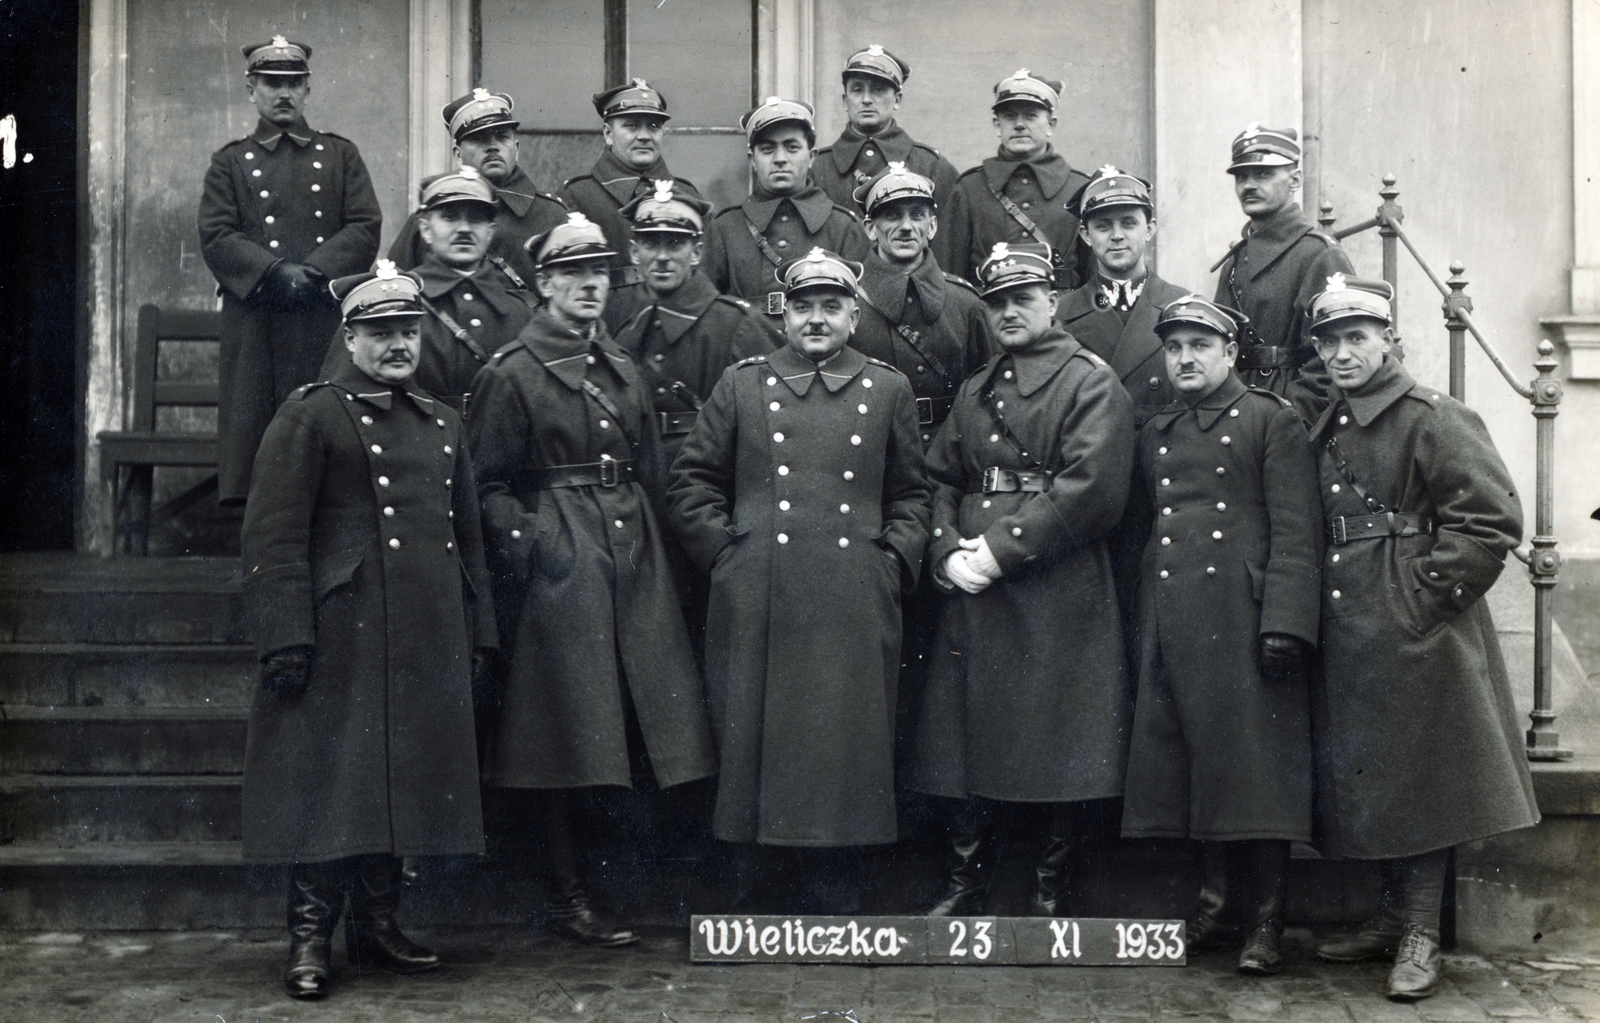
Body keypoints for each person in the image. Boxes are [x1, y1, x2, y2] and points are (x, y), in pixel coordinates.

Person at [239, 263, 494, 999]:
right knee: (330, 781)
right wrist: (285, 632)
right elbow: (274, 534)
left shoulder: (444, 422)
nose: (396, 345)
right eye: (380, 332)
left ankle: (379, 923)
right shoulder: (311, 415)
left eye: (407, 331)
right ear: (349, 337)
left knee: (403, 779)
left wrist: (480, 632)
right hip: (340, 629)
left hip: (424, 628)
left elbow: (468, 538)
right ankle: (309, 937)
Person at [467, 213, 716, 947]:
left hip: (632, 549)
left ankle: (628, 881)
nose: (589, 286)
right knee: (565, 729)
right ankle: (565, 891)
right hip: (562, 557)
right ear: (544, 283)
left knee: (643, 719)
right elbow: (483, 487)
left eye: (600, 273)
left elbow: (649, 463)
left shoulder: (622, 365)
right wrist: (537, 542)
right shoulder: (510, 372)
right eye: (572, 273)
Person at [667, 248, 929, 910]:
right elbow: (692, 479)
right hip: (760, 586)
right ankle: (761, 874)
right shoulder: (743, 383)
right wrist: (726, 557)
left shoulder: (888, 388)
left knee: (844, 733)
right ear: (785, 313)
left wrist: (892, 560)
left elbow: (912, 494)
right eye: (804, 306)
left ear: (853, 313)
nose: (817, 319)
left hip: (852, 589)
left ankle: (837, 875)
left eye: (831, 306)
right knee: (756, 727)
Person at [1303, 276, 1538, 1001]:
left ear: (1388, 341)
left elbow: (1491, 520)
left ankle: (1420, 932)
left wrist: (1424, 599)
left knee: (1427, 775)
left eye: (1356, 338)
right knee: (1373, 768)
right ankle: (1384, 916)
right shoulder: (1328, 423)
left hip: (1416, 624)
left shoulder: (1433, 416)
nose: (1342, 353)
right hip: (1351, 620)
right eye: (1329, 340)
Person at [912, 242, 1134, 918]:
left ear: (1052, 301)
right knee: (962, 733)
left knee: (1061, 733)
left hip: (1054, 579)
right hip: (975, 580)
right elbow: (940, 474)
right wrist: (947, 547)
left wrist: (999, 551)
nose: (1009, 312)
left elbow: (1091, 489)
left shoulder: (1090, 381)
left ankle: (1050, 886)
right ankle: (966, 879)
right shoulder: (979, 386)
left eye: (1022, 298)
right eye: (997, 302)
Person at [1119, 295, 1323, 975]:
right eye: (1174, 347)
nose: (1185, 358)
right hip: (1175, 614)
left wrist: (1287, 623)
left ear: (1230, 353)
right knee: (1196, 763)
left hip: (1245, 618)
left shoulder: (1270, 420)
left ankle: (1264, 920)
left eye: (1199, 346)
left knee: (1256, 770)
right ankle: (1213, 901)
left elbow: (1297, 531)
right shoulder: (1158, 430)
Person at [848, 162, 992, 769]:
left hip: (947, 467)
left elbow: (989, 391)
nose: (904, 227)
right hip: (876, 472)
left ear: (934, 224)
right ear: (869, 226)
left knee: (946, 633)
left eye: (915, 215)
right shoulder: (849, 301)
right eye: (889, 216)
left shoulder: (964, 304)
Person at [199, 36, 382, 506]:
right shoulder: (231, 162)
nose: (283, 93)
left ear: (307, 89)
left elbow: (364, 225)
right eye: (271, 83)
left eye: (293, 83)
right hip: (258, 321)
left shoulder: (341, 156)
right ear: (251, 89)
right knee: (259, 455)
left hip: (321, 316)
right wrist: (276, 273)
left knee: (329, 448)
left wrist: (315, 273)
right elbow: (218, 235)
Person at [610, 182, 776, 632]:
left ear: (697, 251)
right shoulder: (629, 334)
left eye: (675, 243)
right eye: (650, 243)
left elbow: (770, 433)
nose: (662, 257)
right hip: (649, 513)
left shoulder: (737, 327)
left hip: (719, 511)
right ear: (634, 252)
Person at [1055, 167, 1192, 664]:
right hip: (1085, 490)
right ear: (1086, 235)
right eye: (1104, 224)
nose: (1117, 235)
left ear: (1149, 228)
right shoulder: (1061, 313)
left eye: (1128, 222)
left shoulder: (1183, 307)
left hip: (1158, 492)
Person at [320, 167, 533, 414]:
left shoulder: (520, 313)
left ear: (491, 232)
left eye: (476, 219)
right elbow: (338, 401)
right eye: (450, 217)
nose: (464, 229)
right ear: (425, 229)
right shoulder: (388, 301)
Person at [1211, 125, 1354, 411]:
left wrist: (1287, 421)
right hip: (1232, 414)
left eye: (1263, 174)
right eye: (1241, 176)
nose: (1249, 185)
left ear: (1295, 179)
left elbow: (1334, 358)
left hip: (1287, 415)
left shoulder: (1318, 254)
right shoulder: (1235, 261)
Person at [704, 97, 870, 332]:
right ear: (753, 160)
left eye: (792, 147)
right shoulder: (724, 228)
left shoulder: (844, 227)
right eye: (767, 149)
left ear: (811, 157)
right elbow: (709, 315)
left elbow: (859, 316)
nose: (780, 159)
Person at [560, 79, 710, 334]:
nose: (644, 136)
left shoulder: (687, 195)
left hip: (680, 327)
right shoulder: (578, 196)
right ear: (608, 134)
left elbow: (704, 274)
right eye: (631, 126)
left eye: (653, 126)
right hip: (608, 327)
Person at [387, 88, 568, 290]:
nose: (492, 147)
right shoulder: (431, 217)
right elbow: (399, 292)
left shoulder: (552, 216)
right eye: (479, 138)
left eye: (502, 137)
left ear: (516, 149)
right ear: (457, 154)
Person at [811, 44, 960, 268]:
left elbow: (949, 252)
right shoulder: (817, 169)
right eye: (857, 89)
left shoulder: (931, 166)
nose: (867, 99)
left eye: (878, 90)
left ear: (897, 99)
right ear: (845, 100)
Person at [941, 70, 1092, 288]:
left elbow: (1094, 280)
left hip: (1062, 319)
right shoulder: (969, 188)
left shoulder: (1078, 189)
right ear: (997, 124)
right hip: (989, 317)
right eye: (1010, 116)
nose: (1019, 124)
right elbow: (949, 278)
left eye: (1031, 115)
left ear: (1051, 125)